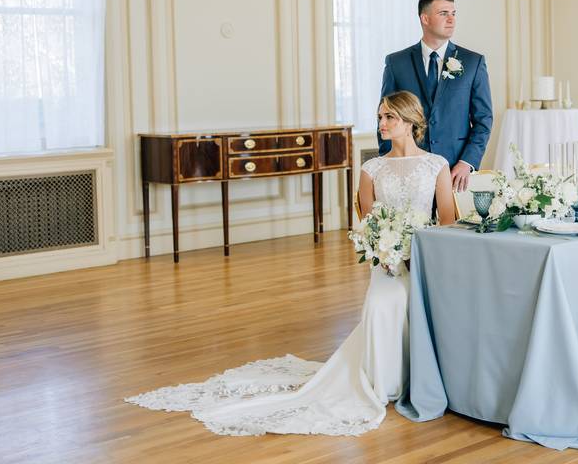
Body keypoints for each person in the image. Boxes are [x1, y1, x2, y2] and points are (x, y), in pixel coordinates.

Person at [126, 91, 454, 437]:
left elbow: (446, 220)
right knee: (382, 301)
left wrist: (416, 250)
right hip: (387, 262)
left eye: (389, 117)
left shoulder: (437, 165)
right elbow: (368, 222)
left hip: (423, 261)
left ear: (410, 122)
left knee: (411, 300)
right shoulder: (371, 168)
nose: (381, 124)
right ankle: (382, 381)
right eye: (380, 117)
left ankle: (416, 376)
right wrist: (387, 250)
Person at [379, 0, 492, 192]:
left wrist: (467, 162)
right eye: (443, 13)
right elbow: (384, 116)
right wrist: (390, 164)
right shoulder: (396, 62)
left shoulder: (473, 62)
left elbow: (484, 120)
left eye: (454, 13)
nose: (451, 19)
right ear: (425, 18)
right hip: (409, 168)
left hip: (455, 169)